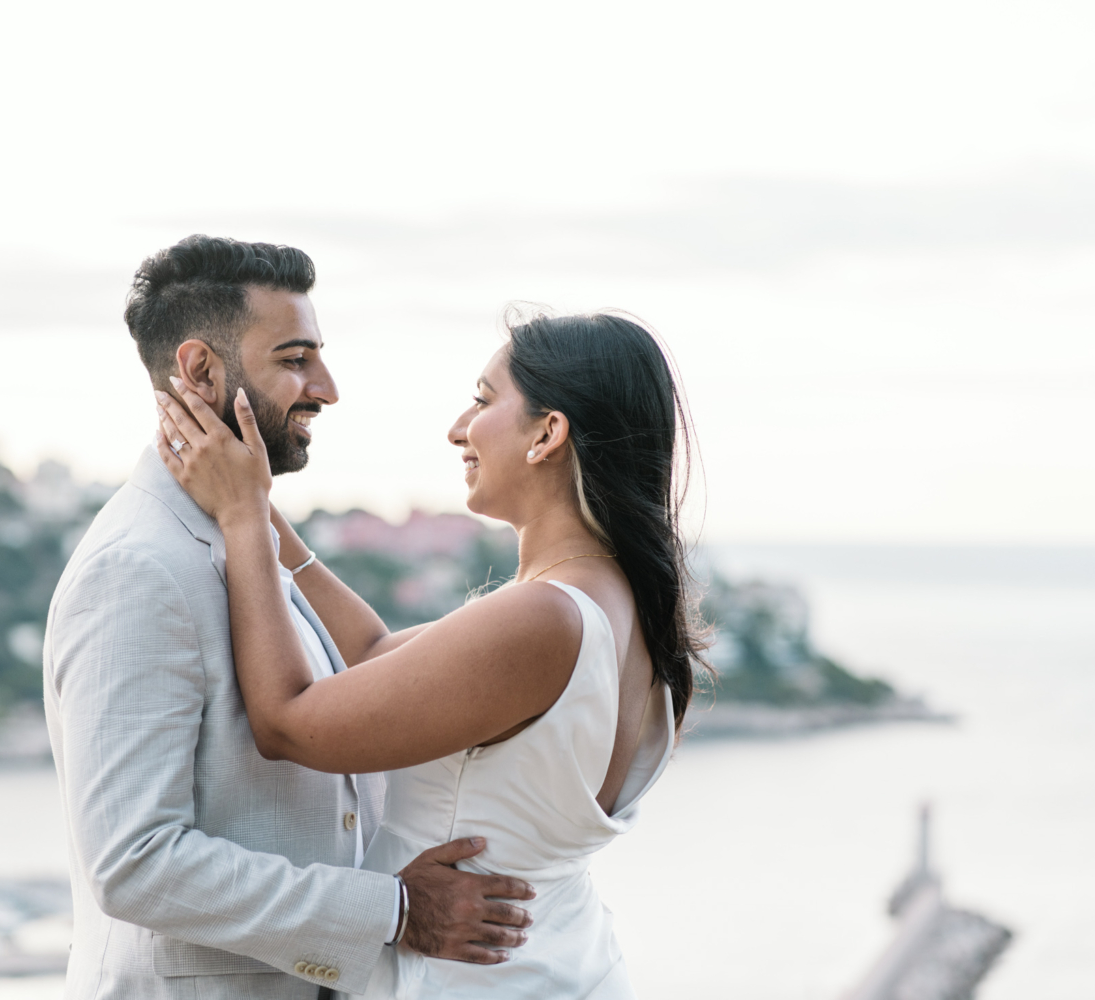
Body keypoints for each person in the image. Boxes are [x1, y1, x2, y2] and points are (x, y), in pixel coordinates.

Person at [155, 309, 707, 998]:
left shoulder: (543, 617)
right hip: (565, 969)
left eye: (482, 400)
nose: (456, 428)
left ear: (548, 433)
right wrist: (259, 505)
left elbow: (288, 722)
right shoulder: (616, 604)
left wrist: (238, 522)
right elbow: (372, 654)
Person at [42, 235, 536, 1000]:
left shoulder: (244, 535)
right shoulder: (136, 568)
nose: (327, 388)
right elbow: (134, 862)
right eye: (295, 358)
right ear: (202, 371)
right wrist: (396, 911)